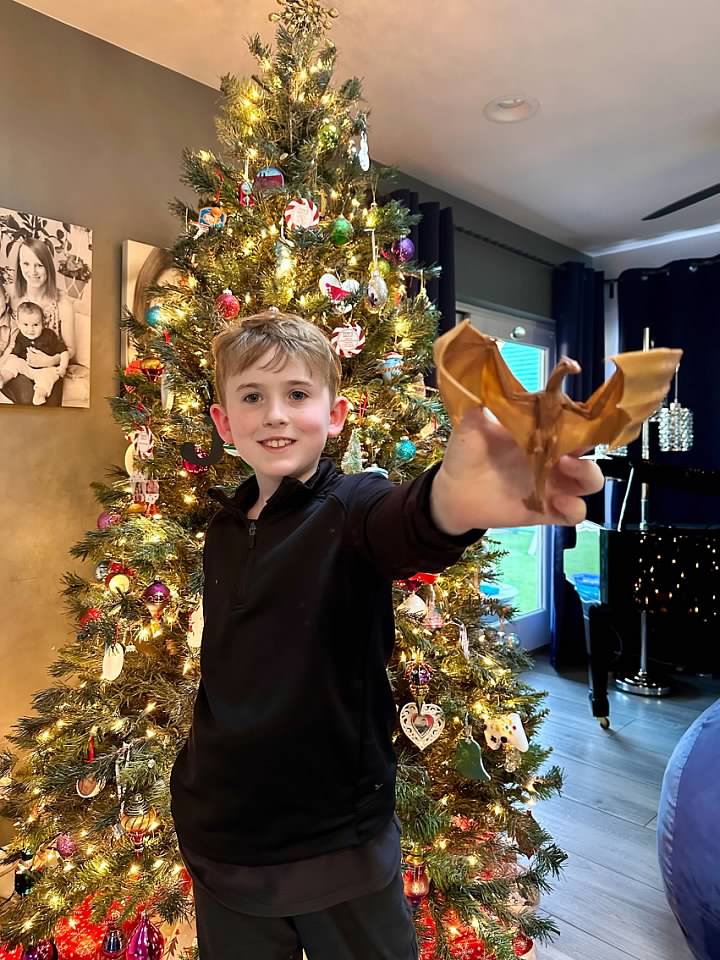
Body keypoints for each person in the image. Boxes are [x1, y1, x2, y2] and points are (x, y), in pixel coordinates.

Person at [170, 309, 604, 960]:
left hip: (336, 847)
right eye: (252, 397)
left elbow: (405, 521)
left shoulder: (352, 508)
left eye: (297, 394)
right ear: (224, 422)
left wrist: (451, 503)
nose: (275, 415)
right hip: (222, 843)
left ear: (335, 414)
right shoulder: (224, 528)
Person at [3, 239, 75, 405]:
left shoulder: (63, 304)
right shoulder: (13, 297)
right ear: (20, 265)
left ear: (48, 267)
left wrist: (50, 361)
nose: (32, 271)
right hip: (20, 364)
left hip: (49, 367)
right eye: (26, 264)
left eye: (39, 265)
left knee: (49, 401)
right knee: (27, 398)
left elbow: (71, 349)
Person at [0, 301, 69, 404]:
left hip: (45, 369)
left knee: (50, 375)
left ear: (43, 323)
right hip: (27, 368)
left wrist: (63, 367)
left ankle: (41, 393)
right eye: (25, 325)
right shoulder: (21, 336)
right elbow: (14, 354)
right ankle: (4, 377)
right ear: (18, 324)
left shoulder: (49, 335)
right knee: (14, 361)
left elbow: (64, 351)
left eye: (35, 325)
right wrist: (10, 364)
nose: (30, 329)